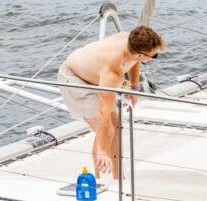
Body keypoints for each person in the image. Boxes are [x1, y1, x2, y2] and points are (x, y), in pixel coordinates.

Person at [57, 26, 165, 178]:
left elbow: (134, 61)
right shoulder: (113, 72)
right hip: (75, 80)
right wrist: (102, 150)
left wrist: (134, 88)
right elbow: (103, 111)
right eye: (154, 56)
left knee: (116, 126)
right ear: (142, 54)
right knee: (107, 131)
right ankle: (99, 179)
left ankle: (117, 177)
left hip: (94, 73)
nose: (155, 57)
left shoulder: (130, 40)